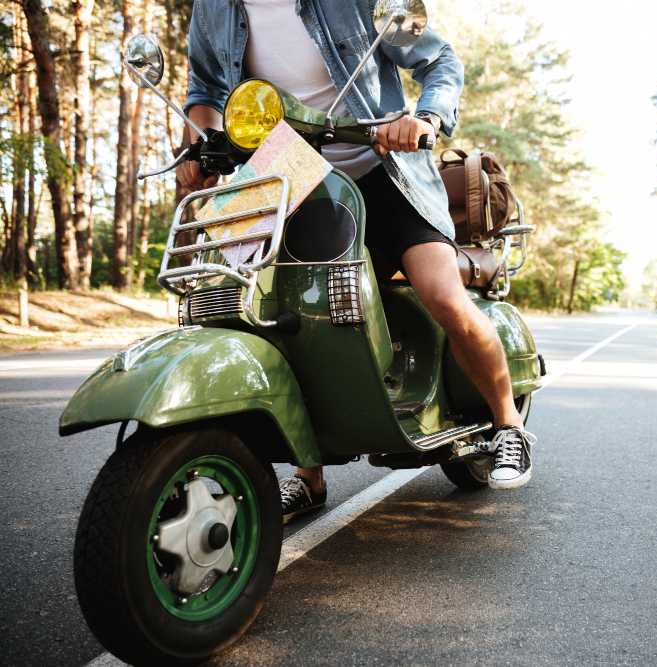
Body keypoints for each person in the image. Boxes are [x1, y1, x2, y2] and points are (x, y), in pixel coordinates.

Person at [180, 0, 537, 519]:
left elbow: (440, 61)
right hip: (289, 170)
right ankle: (309, 476)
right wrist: (196, 146)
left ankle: (509, 426)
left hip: (385, 165)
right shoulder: (212, 8)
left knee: (442, 296)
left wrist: (425, 116)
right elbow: (206, 90)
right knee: (276, 314)